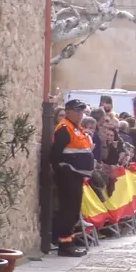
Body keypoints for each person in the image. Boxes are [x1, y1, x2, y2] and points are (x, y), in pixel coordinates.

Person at [49, 100, 94, 257]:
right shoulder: (64, 129)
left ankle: (69, 243)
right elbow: (55, 155)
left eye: (82, 111)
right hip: (68, 175)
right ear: (68, 111)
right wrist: (64, 170)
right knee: (67, 211)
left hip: (76, 175)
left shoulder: (76, 128)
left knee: (73, 211)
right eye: (77, 111)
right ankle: (65, 246)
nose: (81, 114)